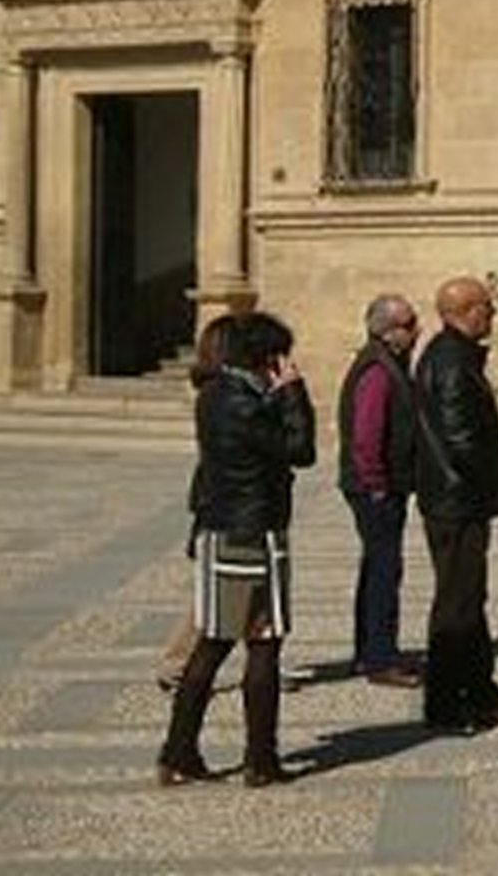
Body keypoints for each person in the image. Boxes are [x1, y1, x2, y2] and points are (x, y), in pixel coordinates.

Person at [157, 312, 316, 787]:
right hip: (251, 533)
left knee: (219, 643)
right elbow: (301, 449)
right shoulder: (240, 401)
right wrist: (293, 393)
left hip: (229, 528)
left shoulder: (219, 395)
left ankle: (185, 751)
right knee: (256, 644)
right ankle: (254, 759)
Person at [413, 275, 498, 732]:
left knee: (471, 595)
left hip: (457, 496)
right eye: (487, 308)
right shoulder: (452, 360)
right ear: (468, 311)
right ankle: (444, 701)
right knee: (456, 602)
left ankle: (478, 684)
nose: (492, 316)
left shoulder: (453, 355)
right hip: (455, 499)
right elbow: (460, 439)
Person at [336, 294, 423, 688]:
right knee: (385, 569)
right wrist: (374, 483)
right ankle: (378, 657)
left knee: (377, 566)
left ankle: (370, 649)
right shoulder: (377, 371)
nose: (416, 330)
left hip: (382, 484)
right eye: (408, 324)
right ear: (388, 330)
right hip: (375, 487)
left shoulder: (386, 364)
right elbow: (367, 433)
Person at [156, 314, 236, 693]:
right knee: (214, 590)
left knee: (237, 589)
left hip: (223, 499)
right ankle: (177, 662)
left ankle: (264, 659)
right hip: (223, 502)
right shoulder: (220, 394)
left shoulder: (218, 391)